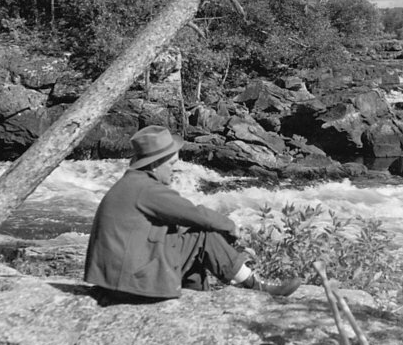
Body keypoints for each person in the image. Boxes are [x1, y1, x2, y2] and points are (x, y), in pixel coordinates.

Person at [84, 125, 299, 304]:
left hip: (113, 283)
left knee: (189, 238)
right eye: (171, 164)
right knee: (203, 234)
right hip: (131, 285)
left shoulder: (129, 184)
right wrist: (231, 227)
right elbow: (197, 214)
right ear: (155, 164)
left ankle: (198, 298)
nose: (174, 169)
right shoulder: (147, 189)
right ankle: (254, 284)